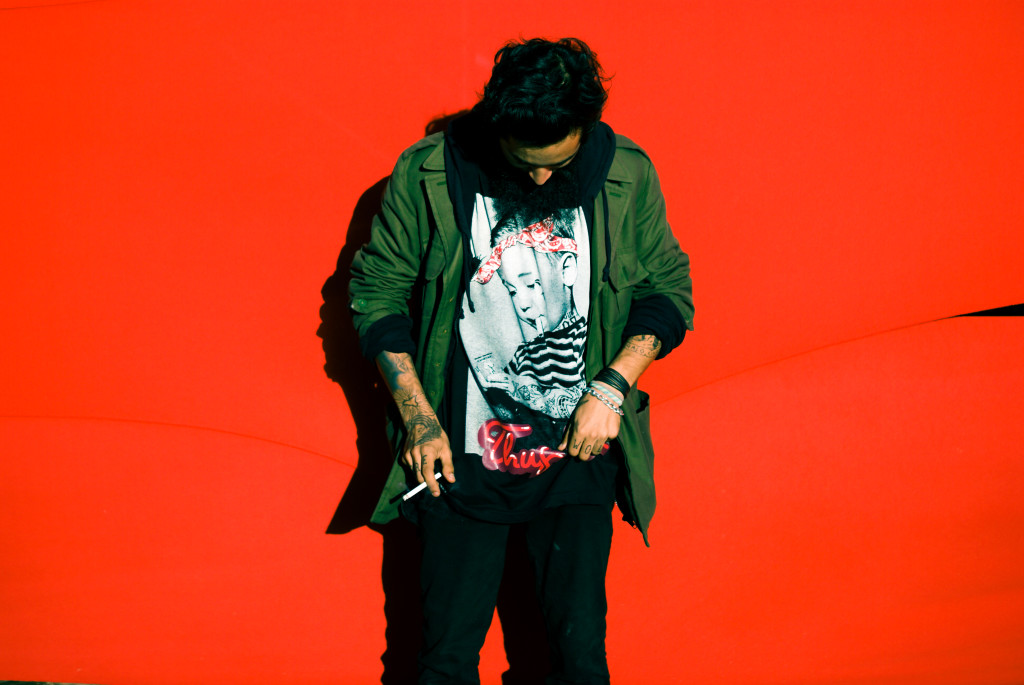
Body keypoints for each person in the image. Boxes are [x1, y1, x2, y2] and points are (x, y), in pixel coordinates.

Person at [349, 37, 693, 684]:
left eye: (558, 164)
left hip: (578, 459)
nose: (539, 178)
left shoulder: (625, 173)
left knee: (579, 660)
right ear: (496, 124)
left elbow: (668, 290)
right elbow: (377, 293)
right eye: (523, 161)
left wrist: (611, 388)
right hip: (459, 462)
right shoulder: (432, 172)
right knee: (444, 661)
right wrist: (419, 420)